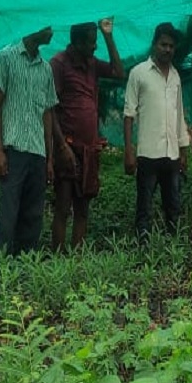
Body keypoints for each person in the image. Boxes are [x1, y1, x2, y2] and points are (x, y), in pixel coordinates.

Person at [49, 18, 124, 251]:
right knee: (63, 205)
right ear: (78, 42)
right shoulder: (59, 64)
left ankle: (77, 259)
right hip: (68, 146)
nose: (95, 47)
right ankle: (58, 258)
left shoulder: (91, 63)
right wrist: (61, 147)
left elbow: (118, 72)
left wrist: (108, 36)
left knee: (83, 207)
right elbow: (49, 108)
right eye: (91, 42)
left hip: (89, 148)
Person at [0, 25, 58, 255]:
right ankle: (1, 268)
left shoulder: (46, 69)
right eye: (48, 26)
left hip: (37, 152)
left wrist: (49, 159)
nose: (52, 31)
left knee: (33, 215)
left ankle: (25, 268)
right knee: (9, 213)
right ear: (35, 25)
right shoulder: (6, 57)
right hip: (14, 150)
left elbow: (47, 113)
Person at [124, 23, 190, 238]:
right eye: (163, 44)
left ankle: (172, 250)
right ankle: (143, 251)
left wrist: (183, 151)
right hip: (147, 154)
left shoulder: (176, 76)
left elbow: (179, 114)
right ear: (154, 45)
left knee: (173, 207)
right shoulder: (139, 73)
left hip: (171, 154)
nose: (167, 49)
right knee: (144, 208)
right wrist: (128, 150)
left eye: (171, 46)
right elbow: (129, 114)